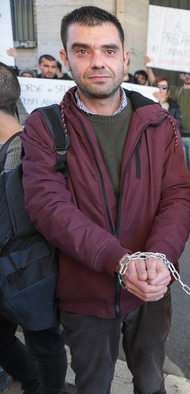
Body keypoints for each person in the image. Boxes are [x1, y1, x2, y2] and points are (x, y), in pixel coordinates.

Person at [20, 6, 190, 393]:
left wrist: (161, 256)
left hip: (152, 288)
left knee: (151, 382)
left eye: (108, 50)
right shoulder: (44, 125)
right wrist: (118, 260)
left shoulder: (158, 121)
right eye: (82, 51)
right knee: (93, 384)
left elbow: (179, 194)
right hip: (85, 292)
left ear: (125, 58)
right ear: (66, 58)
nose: (98, 61)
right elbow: (48, 206)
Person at [0, 61, 67, 394]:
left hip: (28, 265)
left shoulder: (24, 148)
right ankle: (32, 381)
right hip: (10, 263)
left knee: (43, 340)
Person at [145, 55, 190, 213]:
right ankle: (182, 201)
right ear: (181, 75)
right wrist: (149, 66)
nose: (187, 76)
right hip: (177, 137)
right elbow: (156, 84)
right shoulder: (176, 91)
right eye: (184, 73)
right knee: (180, 171)